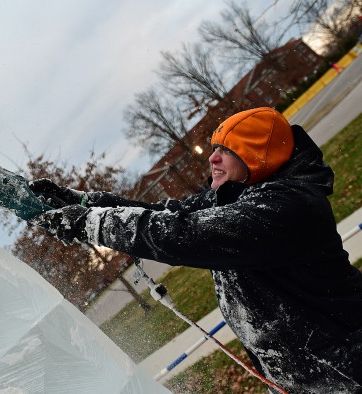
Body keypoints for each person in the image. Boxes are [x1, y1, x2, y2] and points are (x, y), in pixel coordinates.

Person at [30, 107, 362, 393]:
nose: (212, 157)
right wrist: (85, 202)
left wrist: (93, 223)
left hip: (348, 369)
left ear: (258, 154)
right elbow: (167, 214)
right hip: (304, 379)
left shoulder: (286, 206)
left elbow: (182, 234)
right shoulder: (234, 196)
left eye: (226, 150)